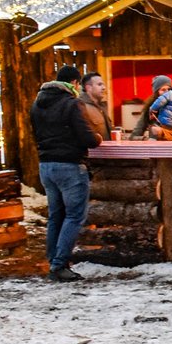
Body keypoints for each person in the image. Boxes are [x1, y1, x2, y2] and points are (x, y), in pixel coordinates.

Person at [31, 64, 101, 282]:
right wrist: (98, 138)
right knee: (74, 215)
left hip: (46, 166)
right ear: (75, 83)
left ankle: (53, 259)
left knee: (56, 215)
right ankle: (60, 264)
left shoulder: (37, 105)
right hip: (70, 166)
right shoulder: (72, 104)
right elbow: (87, 138)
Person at [130, 75, 171, 139]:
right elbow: (133, 136)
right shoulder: (150, 109)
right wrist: (145, 139)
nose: (167, 92)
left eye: (169, 89)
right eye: (163, 90)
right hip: (156, 147)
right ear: (156, 93)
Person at [77, 72, 112, 143]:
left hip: (107, 151)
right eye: (99, 84)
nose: (104, 88)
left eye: (103, 84)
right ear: (88, 88)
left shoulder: (102, 106)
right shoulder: (81, 106)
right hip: (92, 152)